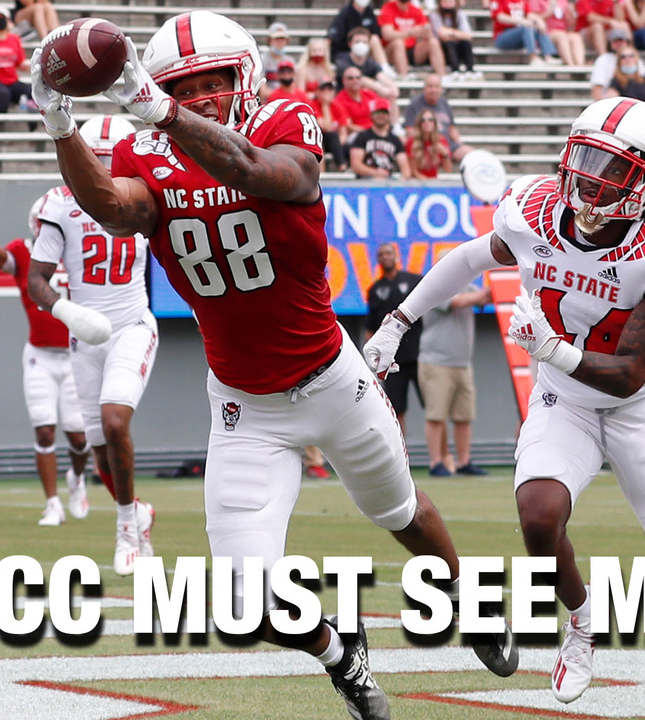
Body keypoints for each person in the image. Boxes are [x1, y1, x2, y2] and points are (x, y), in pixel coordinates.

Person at [29, 11, 518, 718]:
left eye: (211, 82)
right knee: (239, 605)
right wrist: (57, 118)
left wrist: (159, 108)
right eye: (181, 85)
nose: (197, 96)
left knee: (400, 509)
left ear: (246, 77)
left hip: (331, 379)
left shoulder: (285, 118)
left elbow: (263, 173)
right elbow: (110, 205)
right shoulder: (150, 153)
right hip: (242, 404)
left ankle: (468, 600)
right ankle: (338, 653)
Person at [364, 96, 645, 720]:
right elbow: (470, 258)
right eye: (585, 157)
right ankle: (580, 625)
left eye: (612, 169)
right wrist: (398, 321)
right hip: (564, 398)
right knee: (537, 515)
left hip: (634, 405)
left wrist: (551, 349)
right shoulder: (534, 211)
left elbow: (631, 372)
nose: (590, 177)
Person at [23, 114, 158, 573]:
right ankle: (137, 510)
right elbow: (36, 279)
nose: (99, 170)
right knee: (100, 449)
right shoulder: (60, 204)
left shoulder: (147, 197)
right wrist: (64, 309)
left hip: (132, 325)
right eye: (93, 159)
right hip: (84, 336)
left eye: (108, 160)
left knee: (114, 422)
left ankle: (126, 529)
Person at [0, 169, 93, 526]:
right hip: (40, 356)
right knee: (44, 429)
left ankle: (77, 477)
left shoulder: (82, 252)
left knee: (77, 435)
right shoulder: (25, 254)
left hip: (76, 355)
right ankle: (52, 503)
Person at [417, 268, 490, 477]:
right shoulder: (435, 288)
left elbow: (482, 299)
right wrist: (485, 294)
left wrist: (491, 292)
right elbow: (459, 302)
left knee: (463, 415)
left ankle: (463, 461)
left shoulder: (467, 288)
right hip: (436, 361)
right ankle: (435, 462)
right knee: (436, 415)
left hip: (462, 362)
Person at [365, 242, 423, 432]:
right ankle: (401, 458)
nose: (385, 257)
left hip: (421, 356)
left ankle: (440, 458)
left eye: (389, 253)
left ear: (396, 255)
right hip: (392, 361)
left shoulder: (414, 281)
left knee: (434, 410)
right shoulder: (375, 290)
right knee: (396, 410)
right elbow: (371, 327)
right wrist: (371, 360)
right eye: (381, 254)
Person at [404, 73, 475, 163]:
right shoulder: (414, 104)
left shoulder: (444, 103)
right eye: (430, 87)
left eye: (436, 87)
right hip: (426, 146)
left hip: (447, 144)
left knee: (472, 154)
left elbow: (452, 129)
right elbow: (410, 130)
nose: (433, 90)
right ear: (424, 88)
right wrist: (430, 141)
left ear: (441, 89)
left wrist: (459, 144)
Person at [333, 26, 399, 116]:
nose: (361, 45)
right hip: (347, 97)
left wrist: (392, 87)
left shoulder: (370, 61)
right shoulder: (343, 60)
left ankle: (395, 125)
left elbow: (381, 75)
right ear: (350, 44)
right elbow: (360, 79)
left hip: (366, 97)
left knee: (390, 94)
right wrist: (380, 88)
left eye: (364, 42)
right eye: (357, 42)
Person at [379, 0, 447, 78]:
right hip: (392, 51)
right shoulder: (388, 8)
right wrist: (409, 33)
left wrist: (425, 31)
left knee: (433, 42)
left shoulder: (416, 10)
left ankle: (442, 76)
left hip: (412, 50)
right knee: (398, 42)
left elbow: (427, 30)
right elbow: (387, 34)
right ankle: (403, 76)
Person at [350, 98, 411, 179]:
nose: (381, 115)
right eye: (378, 112)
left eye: (384, 112)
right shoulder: (362, 137)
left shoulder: (395, 140)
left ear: (389, 115)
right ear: (371, 114)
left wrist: (401, 181)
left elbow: (405, 169)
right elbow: (355, 165)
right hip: (366, 181)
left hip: (388, 182)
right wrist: (376, 173)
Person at [327, 0, 392, 73]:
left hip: (366, 52)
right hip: (346, 52)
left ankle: (384, 67)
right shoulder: (344, 13)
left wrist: (363, 41)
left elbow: (376, 33)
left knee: (374, 39)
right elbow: (332, 37)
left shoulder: (369, 11)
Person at [491, 0, 559, 65]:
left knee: (537, 26)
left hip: (520, 35)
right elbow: (500, 17)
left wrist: (539, 20)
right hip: (502, 35)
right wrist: (521, 21)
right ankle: (533, 58)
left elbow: (529, 14)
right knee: (527, 26)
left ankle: (548, 56)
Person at [429, 0, 480, 79]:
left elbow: (468, 35)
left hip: (459, 48)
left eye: (450, 2)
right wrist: (457, 34)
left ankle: (470, 70)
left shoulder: (460, 14)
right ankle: (455, 71)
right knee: (449, 43)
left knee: (466, 43)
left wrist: (451, 32)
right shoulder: (435, 15)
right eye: (445, 2)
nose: (448, 5)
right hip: (441, 51)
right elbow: (441, 34)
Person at [590, 29, 645, 101]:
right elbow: (597, 87)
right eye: (615, 41)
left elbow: (642, 81)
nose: (627, 59)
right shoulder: (603, 60)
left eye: (621, 41)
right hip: (610, 100)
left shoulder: (637, 60)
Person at [310, 79, 351, 170]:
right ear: (317, 92)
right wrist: (325, 105)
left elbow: (343, 133)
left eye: (330, 89)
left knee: (349, 145)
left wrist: (337, 145)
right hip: (318, 139)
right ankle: (342, 166)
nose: (327, 92)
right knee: (331, 136)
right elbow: (326, 128)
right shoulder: (313, 105)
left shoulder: (338, 107)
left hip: (334, 142)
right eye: (323, 89)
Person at [536, 0, 587, 67]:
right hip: (546, 33)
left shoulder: (563, 2)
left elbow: (570, 25)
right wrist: (550, 11)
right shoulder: (538, 1)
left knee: (576, 37)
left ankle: (580, 66)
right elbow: (534, 17)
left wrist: (572, 13)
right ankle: (570, 65)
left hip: (563, 31)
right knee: (561, 36)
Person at [334, 64, 382, 132]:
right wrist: (368, 133)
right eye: (351, 78)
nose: (355, 80)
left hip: (375, 130)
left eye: (358, 78)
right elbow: (348, 125)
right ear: (344, 81)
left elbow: (381, 114)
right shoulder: (340, 100)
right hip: (356, 134)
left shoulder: (369, 94)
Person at [406, 109, 453, 178]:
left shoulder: (441, 140)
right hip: (417, 182)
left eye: (430, 120)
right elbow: (413, 172)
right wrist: (427, 184)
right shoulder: (412, 141)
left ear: (435, 123)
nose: (426, 122)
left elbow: (448, 170)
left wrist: (445, 154)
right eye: (423, 120)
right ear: (419, 124)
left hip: (433, 181)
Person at [261, 21, 292, 91]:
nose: (279, 42)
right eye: (276, 39)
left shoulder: (290, 60)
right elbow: (263, 91)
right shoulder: (262, 59)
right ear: (269, 40)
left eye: (282, 39)